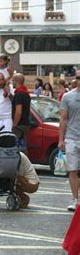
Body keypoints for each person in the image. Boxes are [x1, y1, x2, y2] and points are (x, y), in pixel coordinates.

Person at [58, 69, 80, 211]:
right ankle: (74, 199)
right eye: (78, 77)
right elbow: (63, 119)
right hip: (72, 138)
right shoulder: (67, 96)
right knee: (73, 170)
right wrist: (61, 140)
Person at [12, 74, 31, 151]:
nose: (12, 83)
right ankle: (24, 161)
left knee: (16, 147)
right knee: (23, 146)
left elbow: (18, 111)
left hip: (19, 125)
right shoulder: (26, 93)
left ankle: (19, 162)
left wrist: (15, 124)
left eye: (13, 81)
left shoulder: (19, 94)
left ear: (16, 82)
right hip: (25, 124)